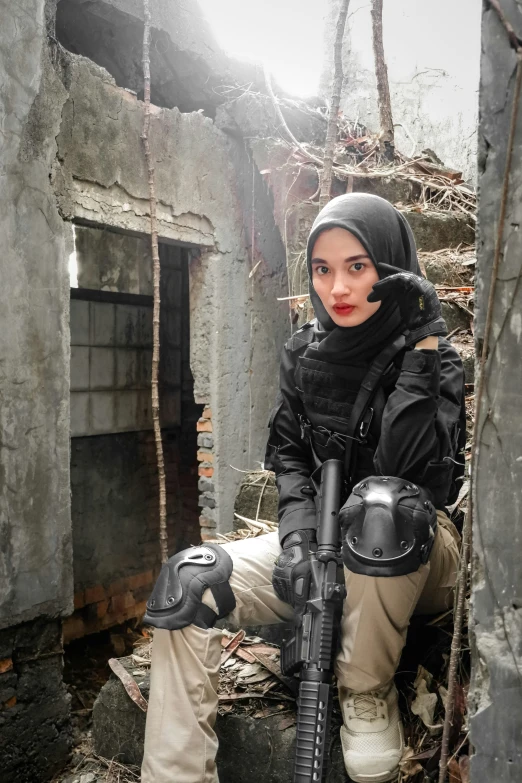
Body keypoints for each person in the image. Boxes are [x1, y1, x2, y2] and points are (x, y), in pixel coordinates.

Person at [141, 194, 465, 783]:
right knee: (187, 582)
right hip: (325, 538)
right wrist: (294, 540)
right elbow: (290, 457)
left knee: (382, 507)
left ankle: (365, 693)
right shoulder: (303, 352)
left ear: (393, 269)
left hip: (420, 554)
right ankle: (175, 772)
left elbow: (413, 472)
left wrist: (419, 346)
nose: (337, 287)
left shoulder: (435, 358)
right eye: (323, 269)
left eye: (358, 267)